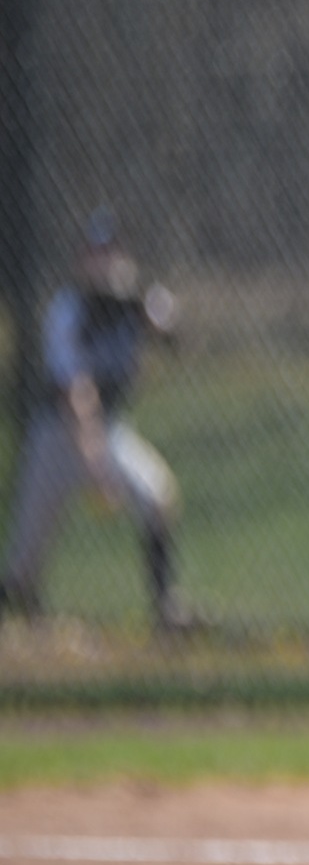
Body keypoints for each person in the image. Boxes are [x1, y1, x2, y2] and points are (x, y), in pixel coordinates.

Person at [0, 209, 200, 636]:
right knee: (21, 571)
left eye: (112, 252)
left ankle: (167, 608)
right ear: (81, 261)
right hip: (57, 438)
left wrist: (161, 315)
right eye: (96, 253)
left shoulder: (135, 302)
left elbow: (176, 335)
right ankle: (24, 613)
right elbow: (76, 391)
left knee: (157, 497)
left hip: (108, 429)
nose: (105, 262)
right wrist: (94, 461)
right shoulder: (68, 311)